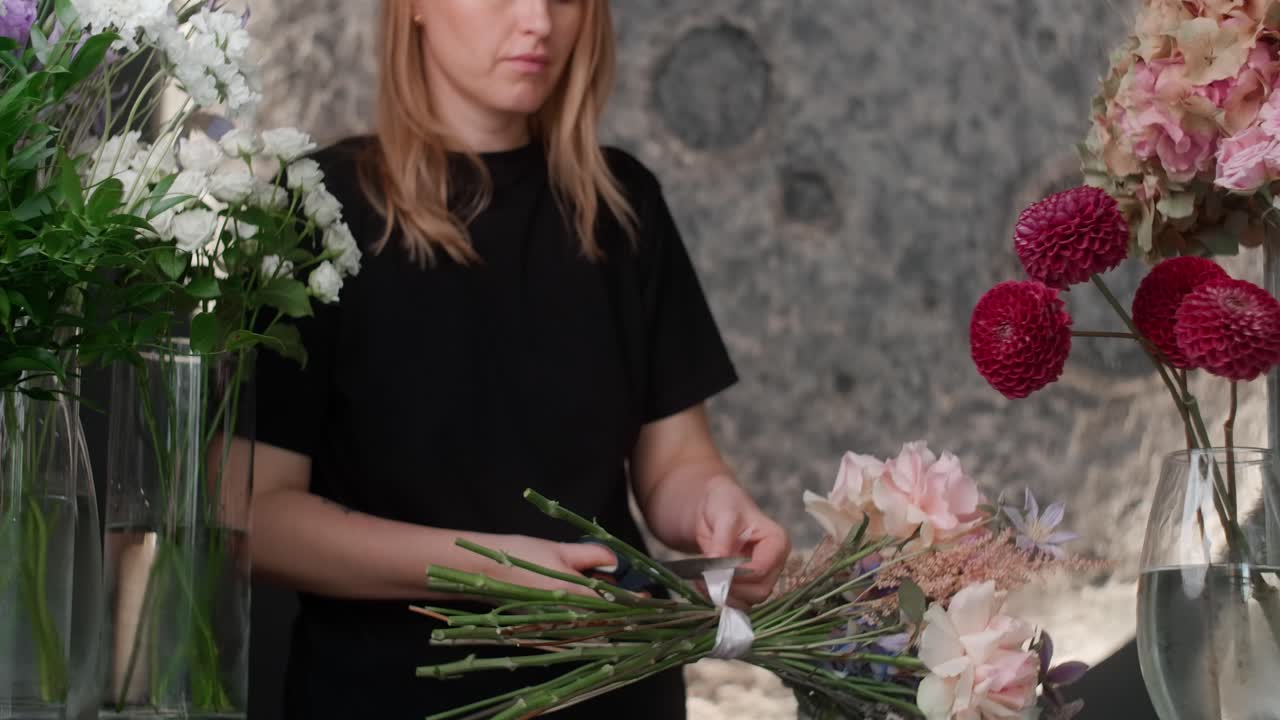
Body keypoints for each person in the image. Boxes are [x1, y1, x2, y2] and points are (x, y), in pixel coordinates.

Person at [250, 1, 791, 717]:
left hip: (615, 692)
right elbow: (255, 520)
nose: (538, 19)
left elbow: (677, 463)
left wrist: (720, 515)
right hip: (388, 696)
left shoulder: (624, 206)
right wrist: (493, 570)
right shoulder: (314, 209)